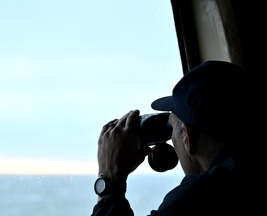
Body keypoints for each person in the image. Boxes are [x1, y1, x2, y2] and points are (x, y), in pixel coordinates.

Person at [90, 60, 264, 216]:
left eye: (172, 128)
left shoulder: (202, 196)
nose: (172, 139)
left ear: (188, 138)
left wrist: (110, 178)